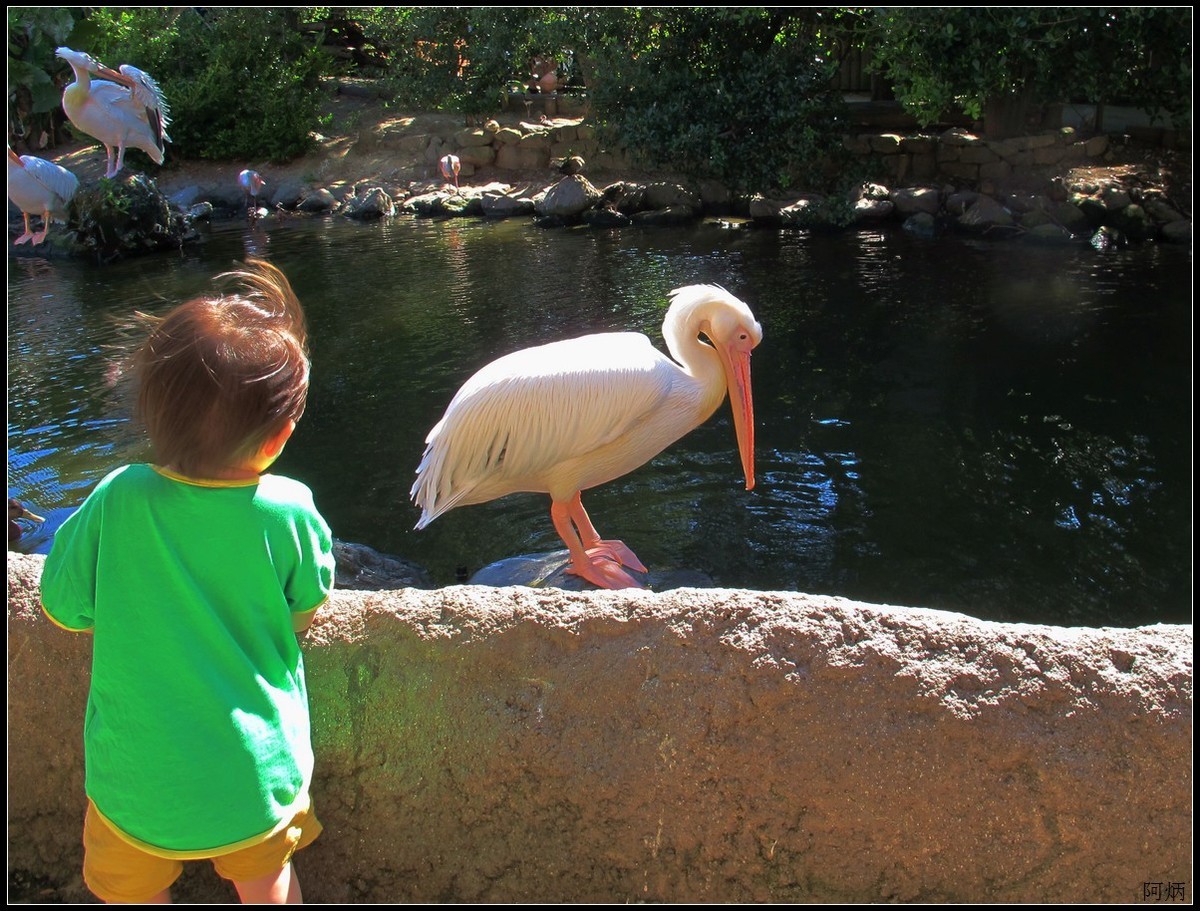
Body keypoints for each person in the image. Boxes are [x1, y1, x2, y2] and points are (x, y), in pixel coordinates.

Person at [40, 258, 336, 904]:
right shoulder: (288, 508)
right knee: (267, 879)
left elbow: (61, 604)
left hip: (134, 787)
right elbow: (307, 605)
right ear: (278, 436)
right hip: (254, 781)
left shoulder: (118, 498)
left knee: (131, 890)